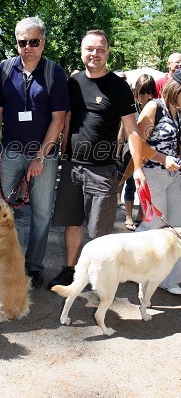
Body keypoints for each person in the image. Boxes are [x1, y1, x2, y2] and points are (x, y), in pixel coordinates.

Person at [48, 29, 145, 290]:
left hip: (102, 169)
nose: (95, 54)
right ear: (82, 52)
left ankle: (98, 275)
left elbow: (133, 129)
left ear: (108, 53)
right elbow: (66, 119)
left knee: (99, 230)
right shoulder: (74, 82)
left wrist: (138, 168)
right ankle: (70, 271)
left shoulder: (118, 86)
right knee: (71, 222)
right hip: (70, 166)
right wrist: (58, 150)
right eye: (90, 49)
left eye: (100, 49)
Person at [0, 16, 69, 287]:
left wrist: (40, 157)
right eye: (23, 42)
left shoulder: (54, 72)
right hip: (9, 151)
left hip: (42, 154)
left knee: (41, 214)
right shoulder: (4, 69)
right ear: (16, 43)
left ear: (43, 43)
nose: (28, 47)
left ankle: (33, 267)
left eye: (34, 42)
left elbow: (58, 119)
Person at [136, 71, 181, 294]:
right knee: (156, 230)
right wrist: (163, 159)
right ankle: (144, 278)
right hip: (153, 174)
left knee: (176, 229)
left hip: (175, 177)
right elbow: (136, 142)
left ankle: (170, 280)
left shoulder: (178, 112)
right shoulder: (154, 107)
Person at [117, 74, 156, 231]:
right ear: (137, 90)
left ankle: (141, 215)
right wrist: (118, 151)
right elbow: (122, 130)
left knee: (147, 186)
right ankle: (128, 216)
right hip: (130, 151)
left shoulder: (154, 106)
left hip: (150, 153)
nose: (146, 96)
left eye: (150, 92)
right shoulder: (131, 106)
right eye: (143, 91)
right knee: (131, 184)